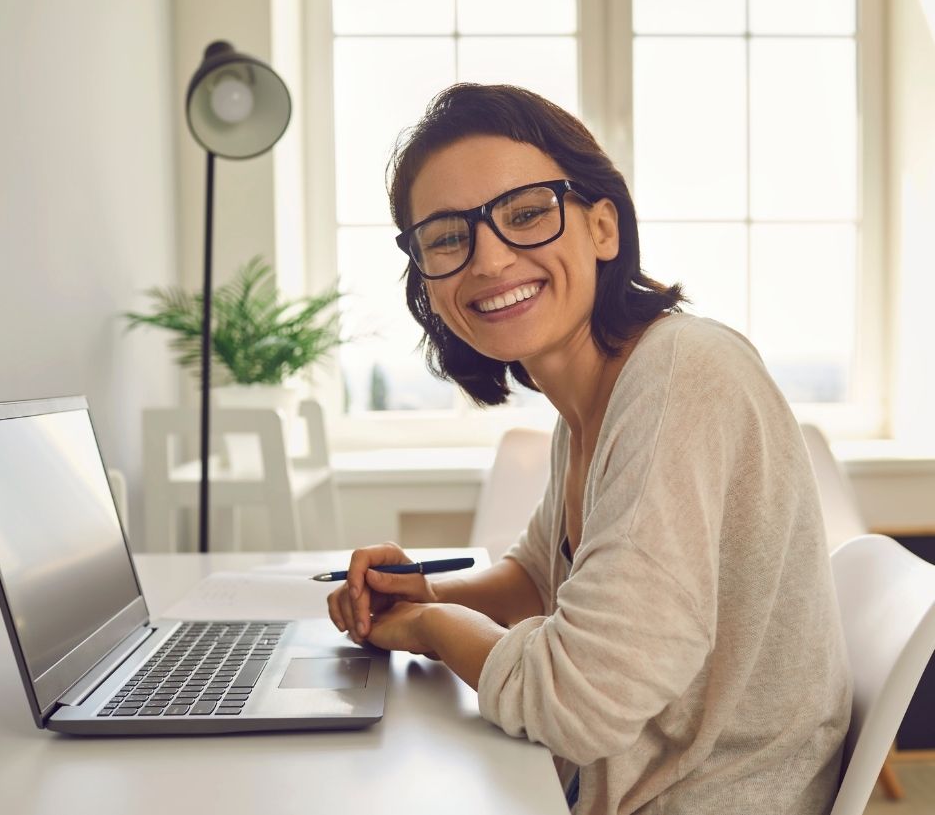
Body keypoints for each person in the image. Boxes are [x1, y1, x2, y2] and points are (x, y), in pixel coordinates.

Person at [327, 83, 851, 814]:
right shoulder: (588, 405)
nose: (488, 257)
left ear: (603, 226)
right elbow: (543, 583)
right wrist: (424, 590)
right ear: (427, 276)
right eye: (448, 236)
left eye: (526, 213)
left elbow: (578, 700)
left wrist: (429, 626)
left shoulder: (681, 377)